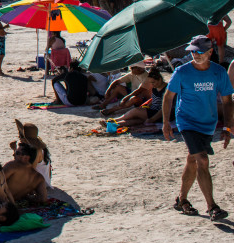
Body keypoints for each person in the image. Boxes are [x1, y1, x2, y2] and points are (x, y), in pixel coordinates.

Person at [163, 35, 234, 220]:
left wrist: (227, 127)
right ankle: (212, 206)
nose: (196, 55)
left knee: (192, 159)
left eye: (200, 51)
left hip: (208, 123)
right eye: (193, 51)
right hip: (186, 121)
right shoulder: (182, 72)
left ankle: (182, 200)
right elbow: (168, 97)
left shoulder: (219, 72)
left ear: (210, 52)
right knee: (202, 159)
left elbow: (227, 101)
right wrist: (165, 123)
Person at [100, 68, 168, 129]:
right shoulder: (156, 88)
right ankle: (115, 124)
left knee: (136, 111)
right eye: (151, 83)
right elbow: (154, 100)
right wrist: (147, 105)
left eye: (153, 82)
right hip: (153, 110)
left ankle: (115, 120)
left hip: (161, 114)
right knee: (137, 120)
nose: (152, 85)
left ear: (160, 79)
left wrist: (152, 119)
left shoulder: (167, 89)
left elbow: (165, 108)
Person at [10, 120, 51, 188]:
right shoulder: (33, 146)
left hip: (40, 183)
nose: (19, 137)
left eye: (20, 135)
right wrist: (15, 150)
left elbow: (31, 171)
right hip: (42, 179)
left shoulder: (37, 151)